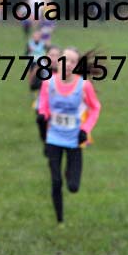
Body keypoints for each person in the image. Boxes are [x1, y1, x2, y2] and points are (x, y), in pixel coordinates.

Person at [37, 48, 102, 224]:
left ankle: (69, 173)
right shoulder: (48, 83)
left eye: (73, 61)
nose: (68, 64)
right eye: (65, 60)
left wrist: (85, 129)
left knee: (73, 186)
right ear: (58, 62)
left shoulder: (84, 86)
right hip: (53, 138)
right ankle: (60, 221)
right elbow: (43, 105)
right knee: (56, 181)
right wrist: (43, 115)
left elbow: (95, 108)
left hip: (75, 139)